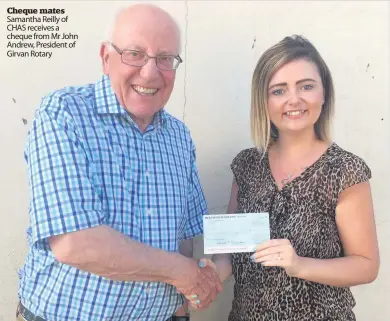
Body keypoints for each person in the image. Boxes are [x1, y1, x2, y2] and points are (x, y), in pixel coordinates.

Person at [16, 4, 222, 321]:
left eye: (165, 59)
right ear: (106, 57)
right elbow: (75, 243)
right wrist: (183, 273)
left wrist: (184, 302)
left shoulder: (180, 137)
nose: (150, 72)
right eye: (135, 54)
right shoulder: (64, 113)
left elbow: (183, 236)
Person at [199, 35, 380, 320]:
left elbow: (366, 265)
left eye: (306, 86)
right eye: (279, 90)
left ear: (324, 93)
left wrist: (299, 265)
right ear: (264, 100)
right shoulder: (247, 166)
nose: (293, 99)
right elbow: (230, 252)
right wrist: (210, 274)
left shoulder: (345, 171)